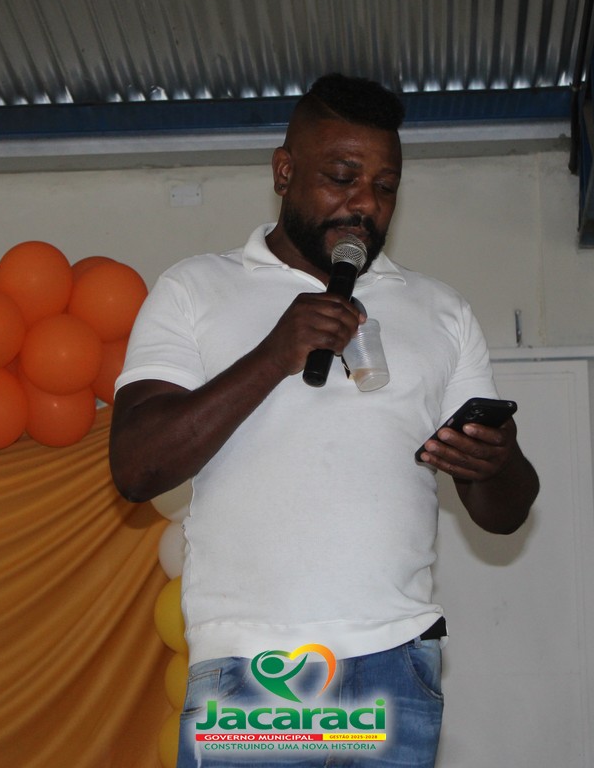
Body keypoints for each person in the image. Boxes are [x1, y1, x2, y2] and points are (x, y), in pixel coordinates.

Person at [109, 73, 540, 767]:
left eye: (385, 186)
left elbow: (503, 513)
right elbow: (136, 466)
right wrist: (274, 354)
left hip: (396, 664)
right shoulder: (195, 289)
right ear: (284, 171)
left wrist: (497, 463)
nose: (364, 203)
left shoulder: (440, 310)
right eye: (342, 177)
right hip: (255, 668)